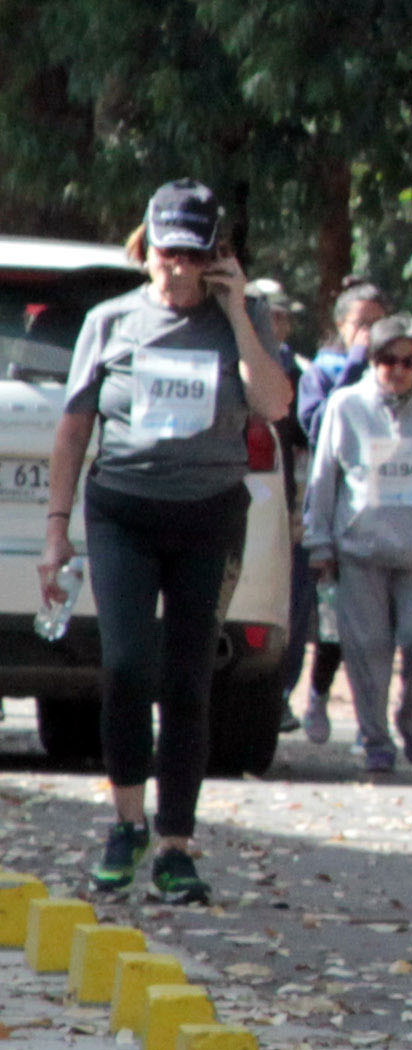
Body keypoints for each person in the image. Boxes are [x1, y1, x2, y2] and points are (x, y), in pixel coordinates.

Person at [42, 185, 296, 901]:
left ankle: (177, 843)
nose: (175, 267)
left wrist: (241, 313)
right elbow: (73, 428)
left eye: (191, 253)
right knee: (126, 668)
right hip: (124, 511)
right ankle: (127, 821)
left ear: (215, 255)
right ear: (144, 249)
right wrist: (56, 533)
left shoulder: (239, 319)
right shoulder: (110, 321)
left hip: (208, 515)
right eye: (164, 252)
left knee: (188, 678)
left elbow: (274, 405)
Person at [300, 317, 412, 776]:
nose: (398, 370)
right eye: (387, 360)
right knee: (368, 649)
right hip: (359, 551)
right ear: (372, 361)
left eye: (407, 361)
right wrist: (318, 542)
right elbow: (324, 479)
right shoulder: (345, 406)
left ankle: (411, 718)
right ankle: (375, 738)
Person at [292, 277, 387, 747]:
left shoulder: (396, 372)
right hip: (330, 514)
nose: (370, 334)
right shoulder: (324, 371)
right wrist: (353, 366)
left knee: (375, 626)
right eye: (361, 324)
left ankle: (375, 723)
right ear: (341, 326)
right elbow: (314, 425)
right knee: (329, 621)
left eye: (378, 323)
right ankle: (313, 696)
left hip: (378, 518)